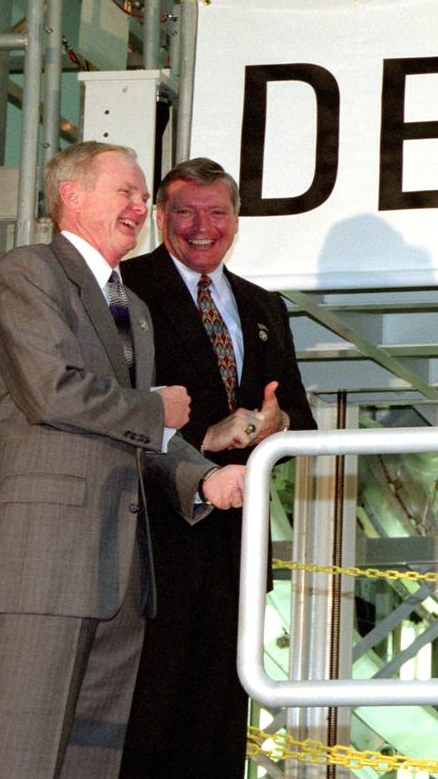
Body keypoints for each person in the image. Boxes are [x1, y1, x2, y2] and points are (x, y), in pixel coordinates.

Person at [0, 142, 247, 779]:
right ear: (72, 196)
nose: (141, 207)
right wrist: (154, 408)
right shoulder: (28, 272)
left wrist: (205, 478)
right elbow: (53, 391)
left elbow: (143, 433)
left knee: (91, 761)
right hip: (39, 564)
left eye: (143, 197)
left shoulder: (132, 308)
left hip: (118, 574)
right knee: (12, 757)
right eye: (128, 193)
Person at [119, 157, 316, 779]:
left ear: (236, 220)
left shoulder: (264, 306)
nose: (201, 226)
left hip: (237, 542)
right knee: (142, 719)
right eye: (185, 211)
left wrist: (272, 425)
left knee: (220, 721)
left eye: (217, 212)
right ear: (159, 217)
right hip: (150, 540)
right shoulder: (125, 288)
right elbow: (111, 408)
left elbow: (300, 421)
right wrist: (207, 433)